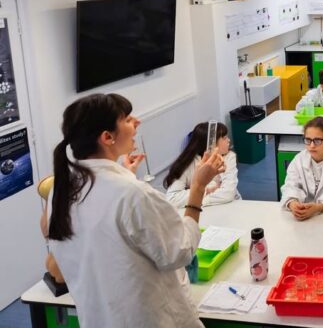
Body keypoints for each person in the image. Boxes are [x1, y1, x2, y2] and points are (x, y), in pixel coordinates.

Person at [47, 93, 224, 328]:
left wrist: (125, 176)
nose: (137, 122)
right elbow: (180, 251)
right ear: (107, 137)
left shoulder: (61, 189)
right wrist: (198, 188)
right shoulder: (132, 193)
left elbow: (102, 234)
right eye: (128, 119)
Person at [164, 121, 240, 208]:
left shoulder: (229, 157)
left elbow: (228, 193)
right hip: (201, 211)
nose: (229, 140)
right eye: (224, 138)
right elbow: (172, 199)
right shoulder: (186, 163)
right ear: (211, 144)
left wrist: (197, 198)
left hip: (230, 206)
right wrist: (207, 189)